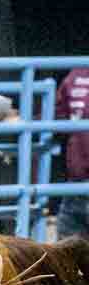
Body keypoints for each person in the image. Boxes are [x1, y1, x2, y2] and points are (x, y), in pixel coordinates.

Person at [54, 68, 89, 238]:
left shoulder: (76, 74)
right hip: (76, 184)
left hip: (77, 181)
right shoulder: (76, 74)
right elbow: (58, 117)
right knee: (68, 256)